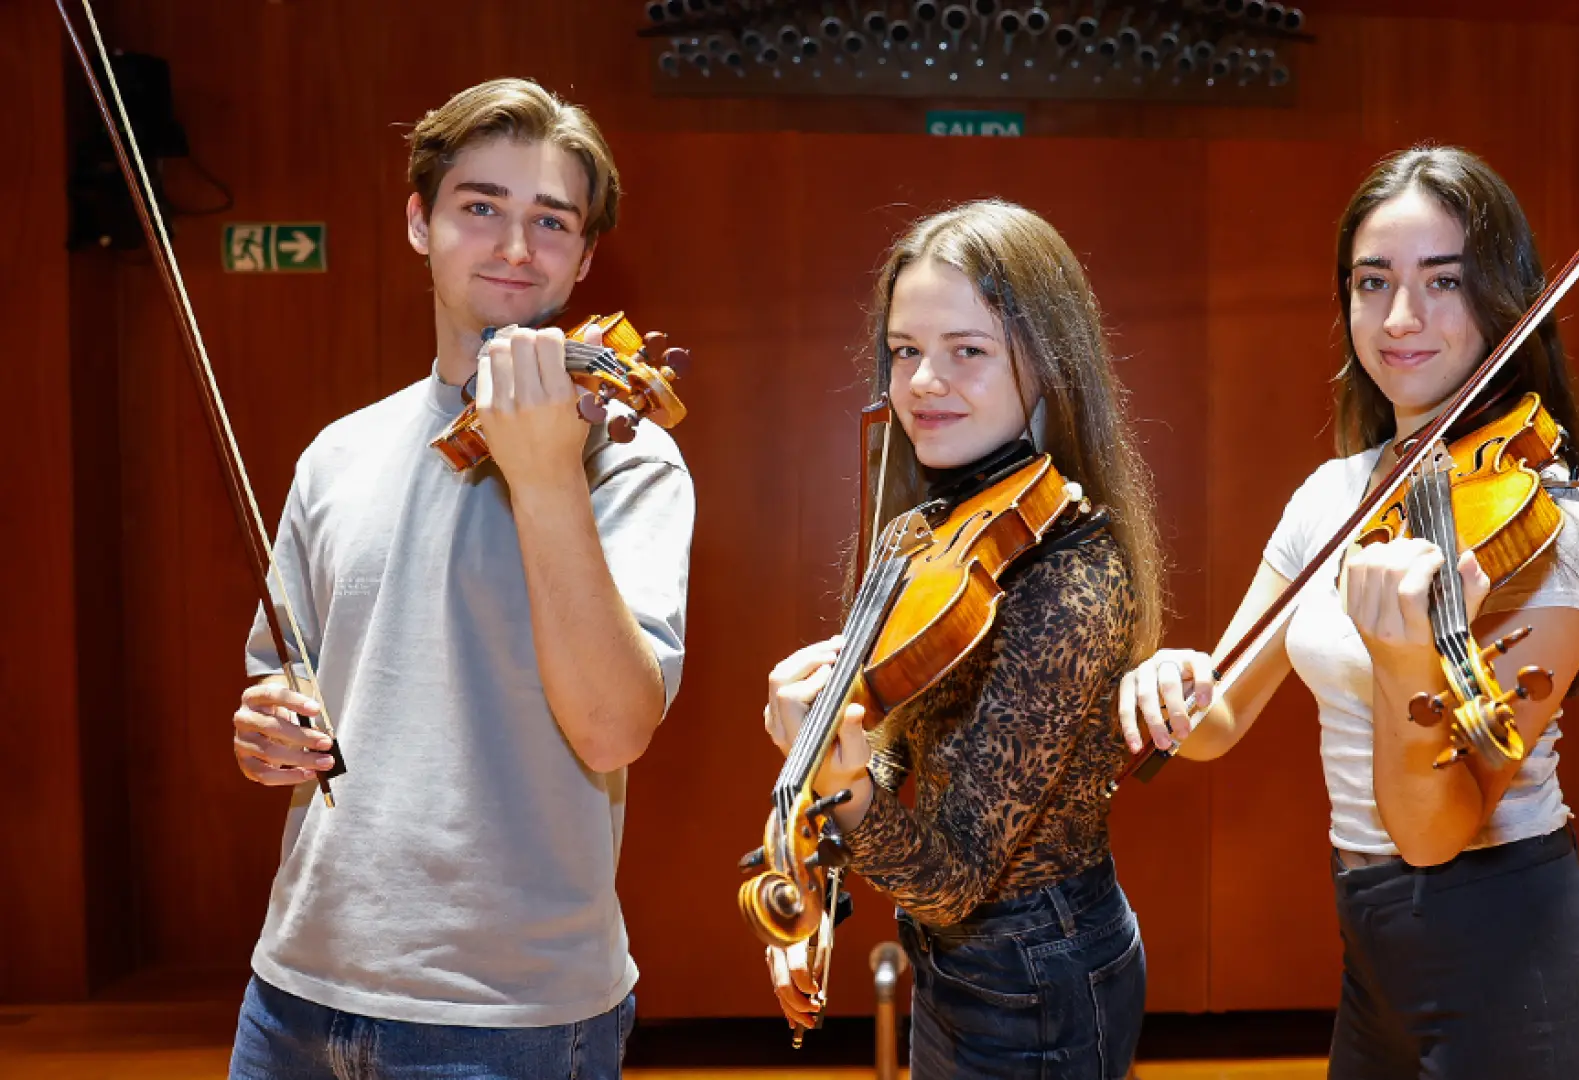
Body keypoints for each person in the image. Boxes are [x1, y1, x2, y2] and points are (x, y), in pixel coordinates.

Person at [1117, 146, 1579, 1079]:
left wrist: (1405, 660)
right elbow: (1220, 715)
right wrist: (1173, 679)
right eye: (1373, 282)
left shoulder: (1552, 520)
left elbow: (1434, 832)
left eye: (1444, 281)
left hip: (1516, 969)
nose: (1401, 318)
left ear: (1505, 299)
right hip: (1374, 966)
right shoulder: (1333, 496)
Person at [225, 77, 693, 1079]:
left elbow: (613, 728)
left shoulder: (626, 456)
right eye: (481, 207)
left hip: (508, 1018)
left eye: (551, 220)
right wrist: (265, 723)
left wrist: (545, 473)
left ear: (584, 256)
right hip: (294, 989)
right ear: (420, 224)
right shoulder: (336, 453)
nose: (516, 245)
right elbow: (284, 675)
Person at [761, 200, 1162, 1079]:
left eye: (966, 351)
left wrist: (844, 783)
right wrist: (828, 798)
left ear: (1049, 362)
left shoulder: (1069, 579)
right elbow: (906, 746)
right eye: (905, 351)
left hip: (1038, 971)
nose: (921, 382)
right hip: (955, 962)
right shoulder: (935, 527)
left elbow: (953, 879)